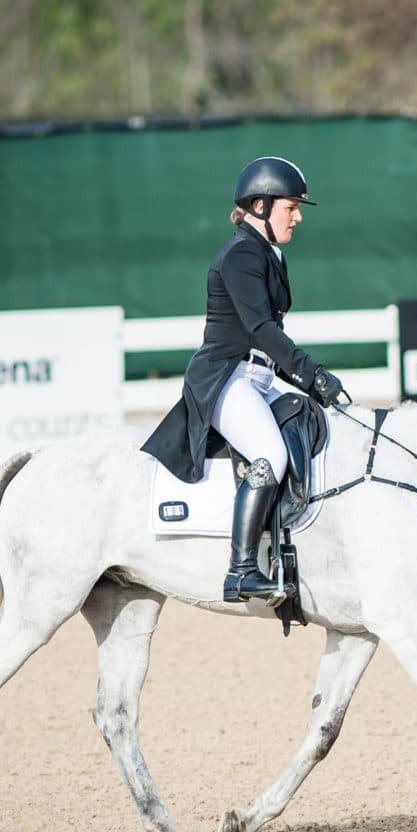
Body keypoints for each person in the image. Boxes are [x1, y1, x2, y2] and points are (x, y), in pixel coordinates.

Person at [142, 157, 348, 602]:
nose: (298, 215)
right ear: (260, 205)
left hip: (257, 376)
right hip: (225, 377)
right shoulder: (240, 255)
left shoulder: (270, 254)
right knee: (269, 454)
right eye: (290, 207)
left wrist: (308, 385)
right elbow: (262, 331)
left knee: (315, 426)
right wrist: (313, 374)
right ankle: (240, 569)